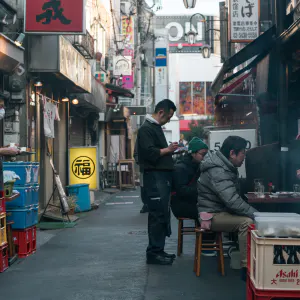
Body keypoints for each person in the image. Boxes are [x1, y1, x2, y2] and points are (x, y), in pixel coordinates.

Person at [197, 136, 257, 281]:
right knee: (247, 222)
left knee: (248, 218)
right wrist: (257, 214)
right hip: (211, 216)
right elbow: (232, 201)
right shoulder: (218, 171)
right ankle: (246, 269)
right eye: (243, 153)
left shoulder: (223, 166)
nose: (244, 158)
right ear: (232, 153)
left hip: (219, 211)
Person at [136, 99, 178, 265]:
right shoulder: (146, 129)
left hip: (160, 177)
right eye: (168, 117)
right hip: (154, 177)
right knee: (157, 215)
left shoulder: (154, 127)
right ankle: (154, 252)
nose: (168, 120)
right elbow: (148, 153)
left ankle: (158, 250)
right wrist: (168, 150)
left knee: (161, 214)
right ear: (161, 112)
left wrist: (169, 151)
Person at [171, 137, 208, 221]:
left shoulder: (197, 165)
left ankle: (205, 232)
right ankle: (204, 233)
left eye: (206, 154)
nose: (204, 157)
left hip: (192, 202)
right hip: (181, 206)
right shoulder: (180, 168)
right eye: (202, 154)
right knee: (211, 212)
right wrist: (202, 191)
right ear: (193, 153)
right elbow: (181, 191)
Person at [133, 142, 148, 213]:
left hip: (156, 167)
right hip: (144, 168)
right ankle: (145, 204)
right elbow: (135, 153)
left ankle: (152, 204)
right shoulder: (140, 137)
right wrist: (139, 161)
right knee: (143, 187)